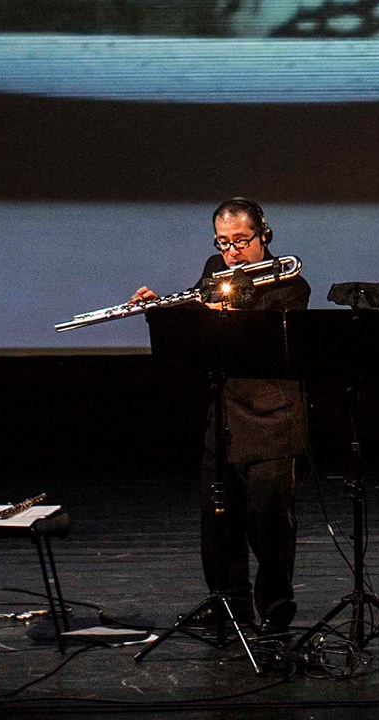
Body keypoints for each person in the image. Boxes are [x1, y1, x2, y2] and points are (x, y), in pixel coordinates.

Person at [130, 197, 310, 635]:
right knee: (219, 523)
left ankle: (276, 610)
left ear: (263, 235)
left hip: (270, 420)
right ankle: (229, 605)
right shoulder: (216, 269)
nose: (231, 252)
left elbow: (260, 338)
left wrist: (221, 313)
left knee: (269, 524)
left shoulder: (291, 284)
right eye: (223, 242)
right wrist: (161, 309)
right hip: (225, 417)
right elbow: (198, 314)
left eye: (241, 241)